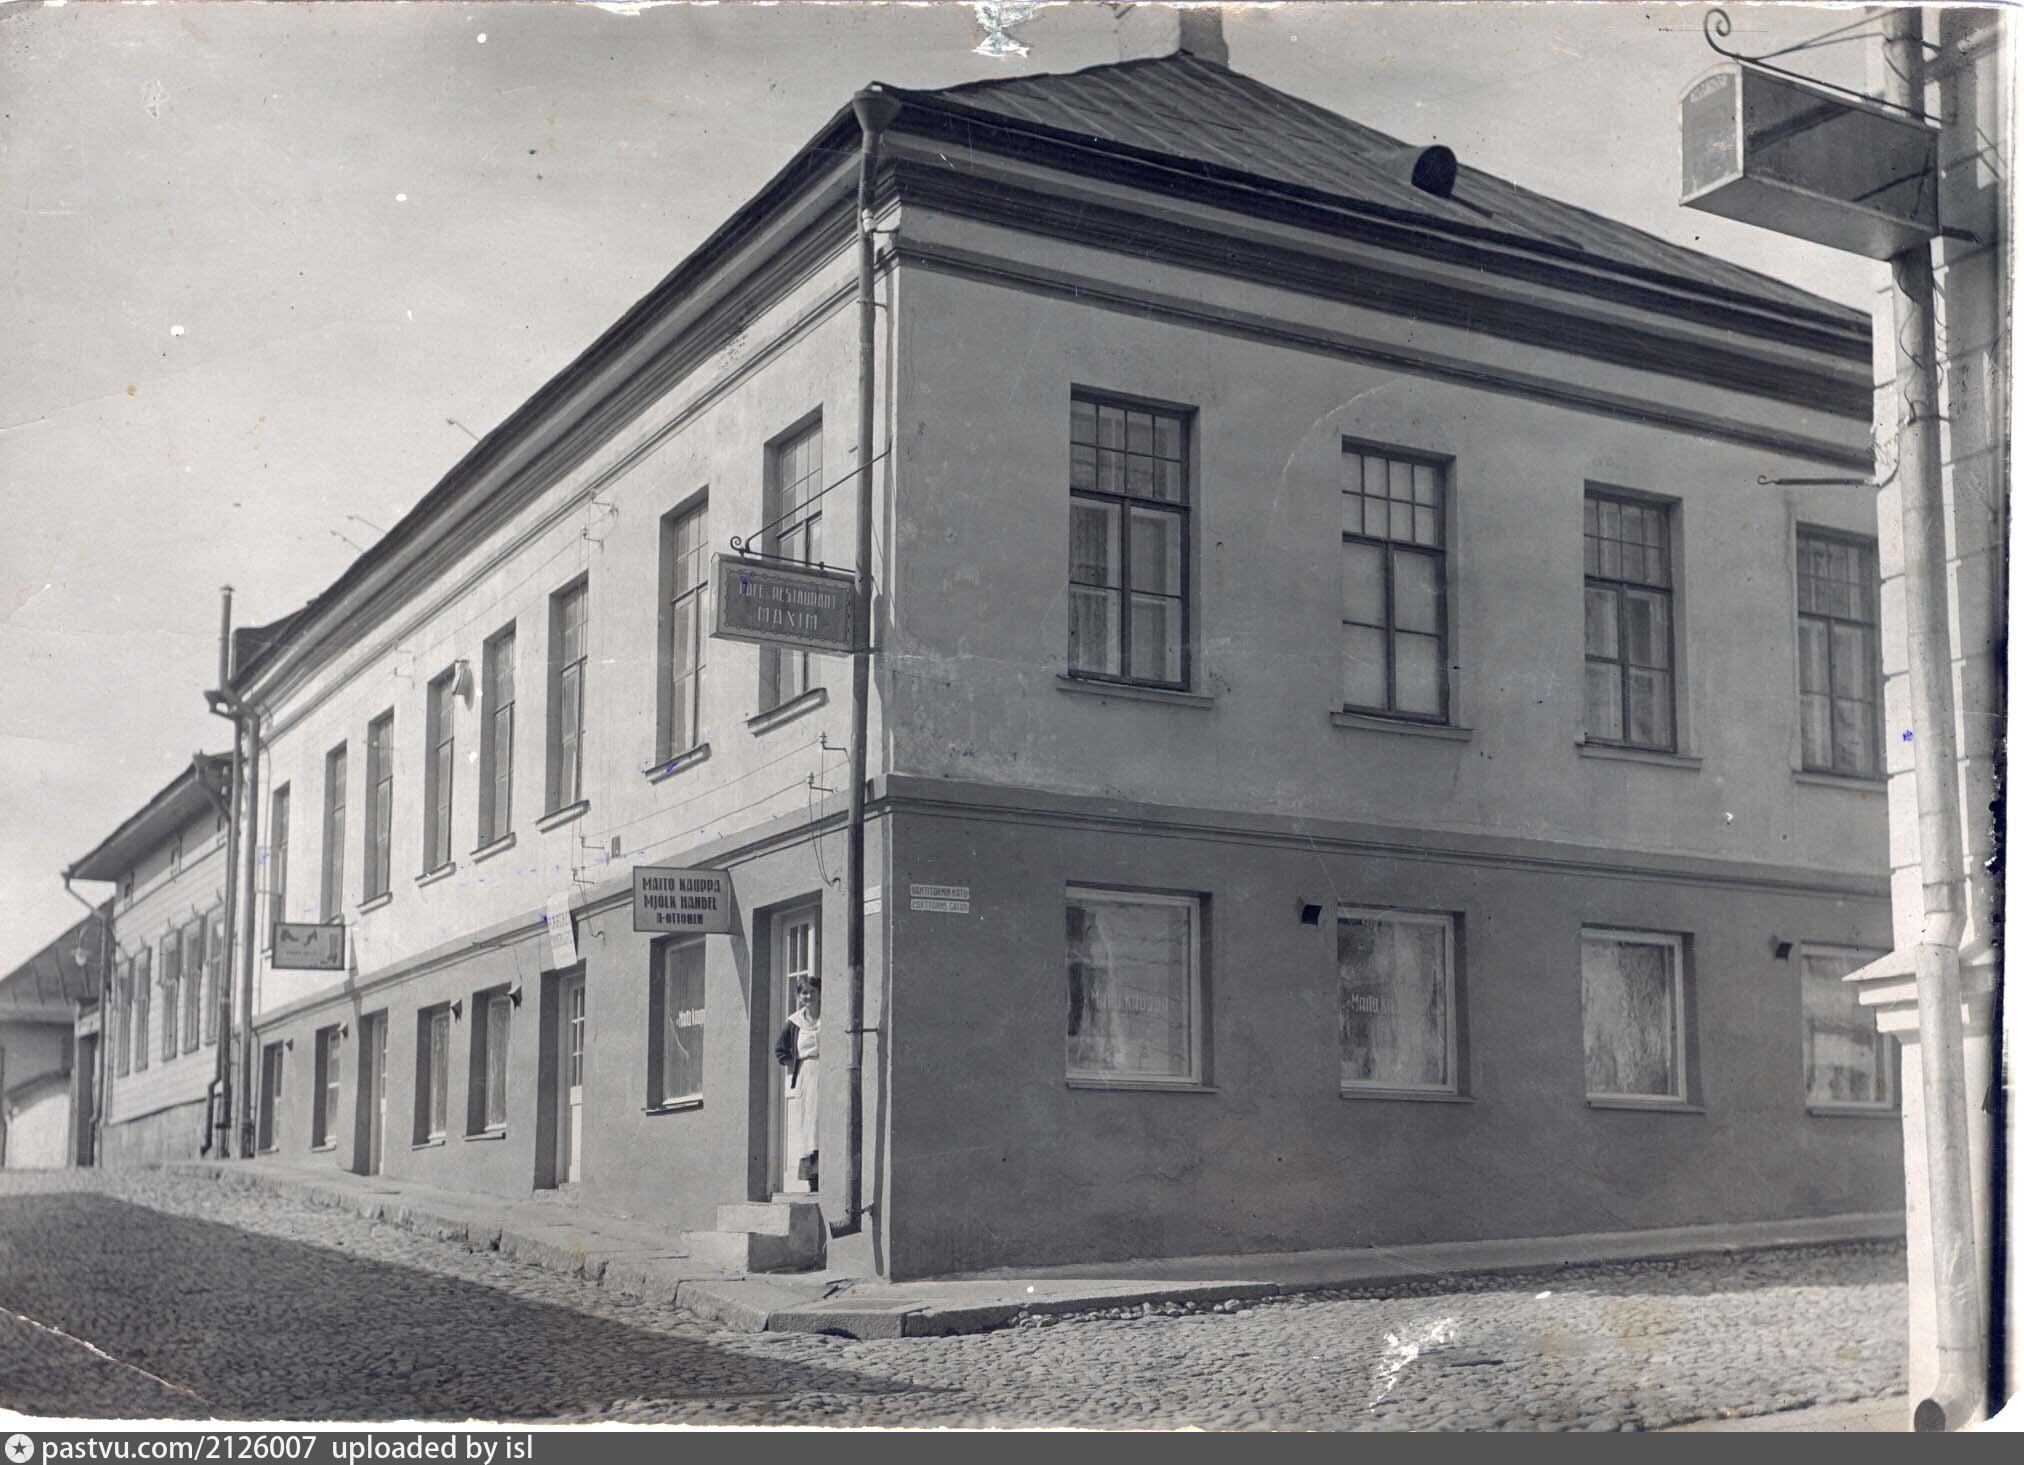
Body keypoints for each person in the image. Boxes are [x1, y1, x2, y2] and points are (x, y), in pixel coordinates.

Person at [774, 976, 820, 1192]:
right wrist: (795, 1065)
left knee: (823, 1123)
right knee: (809, 1125)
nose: (808, 996)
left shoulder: (827, 1018)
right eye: (804, 993)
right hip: (806, 1075)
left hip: (828, 1074)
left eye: (812, 992)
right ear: (799, 996)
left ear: (819, 993)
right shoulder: (794, 1022)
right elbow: (780, 1050)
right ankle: (813, 1179)